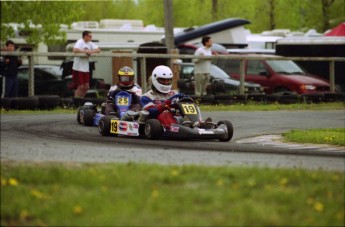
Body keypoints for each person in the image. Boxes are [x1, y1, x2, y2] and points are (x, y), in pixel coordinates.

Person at [72, 30, 100, 98]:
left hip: (85, 68)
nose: (91, 38)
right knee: (81, 86)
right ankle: (76, 100)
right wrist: (84, 51)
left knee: (86, 86)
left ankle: (81, 99)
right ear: (85, 36)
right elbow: (75, 50)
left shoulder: (90, 43)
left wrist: (90, 51)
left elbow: (98, 50)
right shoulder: (80, 41)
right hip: (78, 68)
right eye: (90, 36)